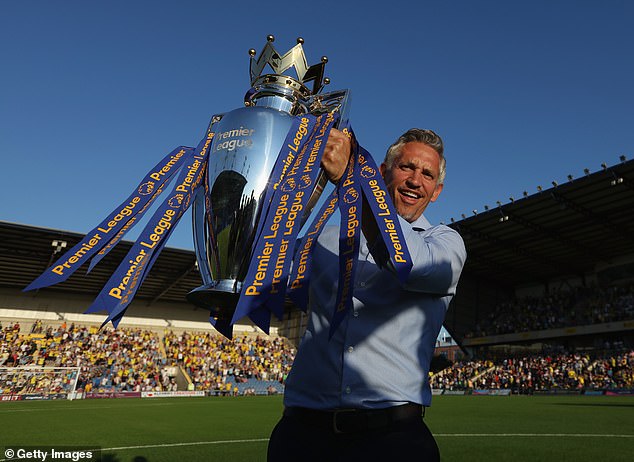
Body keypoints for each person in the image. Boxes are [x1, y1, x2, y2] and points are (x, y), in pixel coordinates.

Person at [267, 128, 467, 461]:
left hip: (392, 441)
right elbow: (265, 267)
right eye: (406, 167)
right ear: (384, 172)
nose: (416, 180)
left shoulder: (445, 244)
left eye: (427, 174)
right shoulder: (324, 239)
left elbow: (408, 262)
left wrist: (351, 184)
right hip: (301, 434)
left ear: (436, 191)